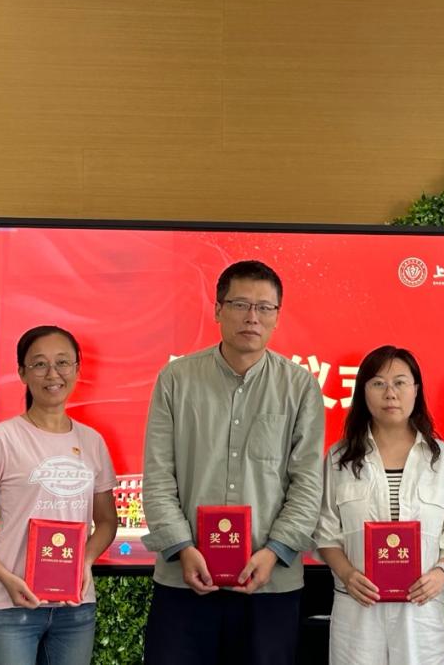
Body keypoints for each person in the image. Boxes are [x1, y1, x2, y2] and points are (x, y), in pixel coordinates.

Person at [141, 260, 325, 665]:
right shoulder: (176, 379)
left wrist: (274, 551)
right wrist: (182, 547)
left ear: (277, 315)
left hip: (270, 584)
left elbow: (308, 483)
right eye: (240, 304)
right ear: (218, 309)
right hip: (184, 580)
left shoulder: (299, 386)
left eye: (264, 307)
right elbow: (158, 475)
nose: (252, 317)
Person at [0, 325, 118, 665]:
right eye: (40, 364)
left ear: (77, 369)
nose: (53, 374)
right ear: (22, 373)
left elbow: (106, 521)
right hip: (9, 605)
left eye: (63, 362)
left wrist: (85, 562)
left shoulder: (92, 442)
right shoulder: (1, 438)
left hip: (75, 607)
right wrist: (5, 577)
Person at [315, 345, 444, 665]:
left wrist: (442, 574)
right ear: (363, 392)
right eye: (378, 383)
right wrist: (347, 574)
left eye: (400, 382)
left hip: (420, 609)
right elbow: (325, 531)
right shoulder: (338, 459)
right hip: (358, 606)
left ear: (416, 390)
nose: (390, 393)